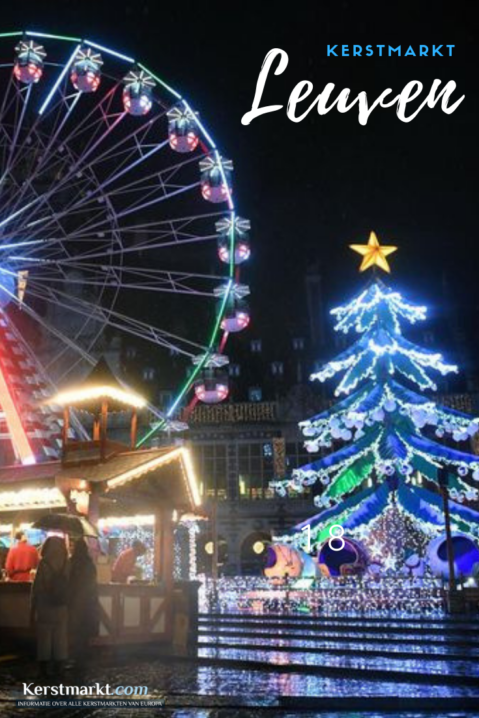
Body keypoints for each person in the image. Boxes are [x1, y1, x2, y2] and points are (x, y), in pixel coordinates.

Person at [31, 536, 69, 677]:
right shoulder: (66, 563)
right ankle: (59, 667)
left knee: (44, 637)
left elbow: (37, 587)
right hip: (61, 606)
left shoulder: (44, 563)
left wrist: (33, 606)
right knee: (60, 637)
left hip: (45, 605)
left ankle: (44, 668)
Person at [68, 540, 99, 668]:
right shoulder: (90, 564)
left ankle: (76, 657)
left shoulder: (71, 563)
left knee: (75, 631)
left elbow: (68, 581)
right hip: (87, 601)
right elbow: (93, 583)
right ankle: (84, 657)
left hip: (74, 601)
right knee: (84, 630)